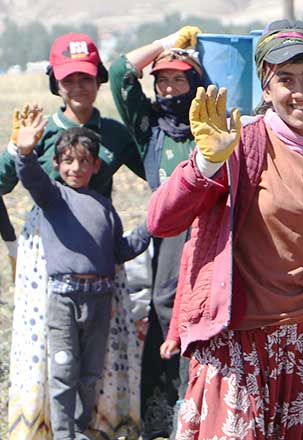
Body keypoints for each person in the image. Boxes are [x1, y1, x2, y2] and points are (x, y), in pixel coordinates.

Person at [147, 20, 303, 440]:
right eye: (286, 79)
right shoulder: (239, 145)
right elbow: (162, 220)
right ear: (265, 85)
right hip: (238, 350)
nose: (300, 92)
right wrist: (205, 165)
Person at [5, 33, 145, 440]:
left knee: (97, 351)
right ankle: (46, 427)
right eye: (69, 80)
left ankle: (94, 425)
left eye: (86, 78)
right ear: (56, 84)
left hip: (100, 249)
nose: (78, 87)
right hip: (49, 254)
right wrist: (19, 149)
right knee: (52, 349)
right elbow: (5, 178)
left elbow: (153, 172)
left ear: (99, 80)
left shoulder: (114, 134)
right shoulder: (42, 130)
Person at [108, 25, 205, 439]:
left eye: (177, 78)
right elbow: (118, 73)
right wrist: (168, 44)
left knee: (206, 318)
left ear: (194, 84)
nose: (167, 87)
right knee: (166, 311)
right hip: (169, 236)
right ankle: (162, 414)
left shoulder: (208, 123)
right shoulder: (150, 131)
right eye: (161, 79)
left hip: (210, 234)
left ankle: (201, 408)